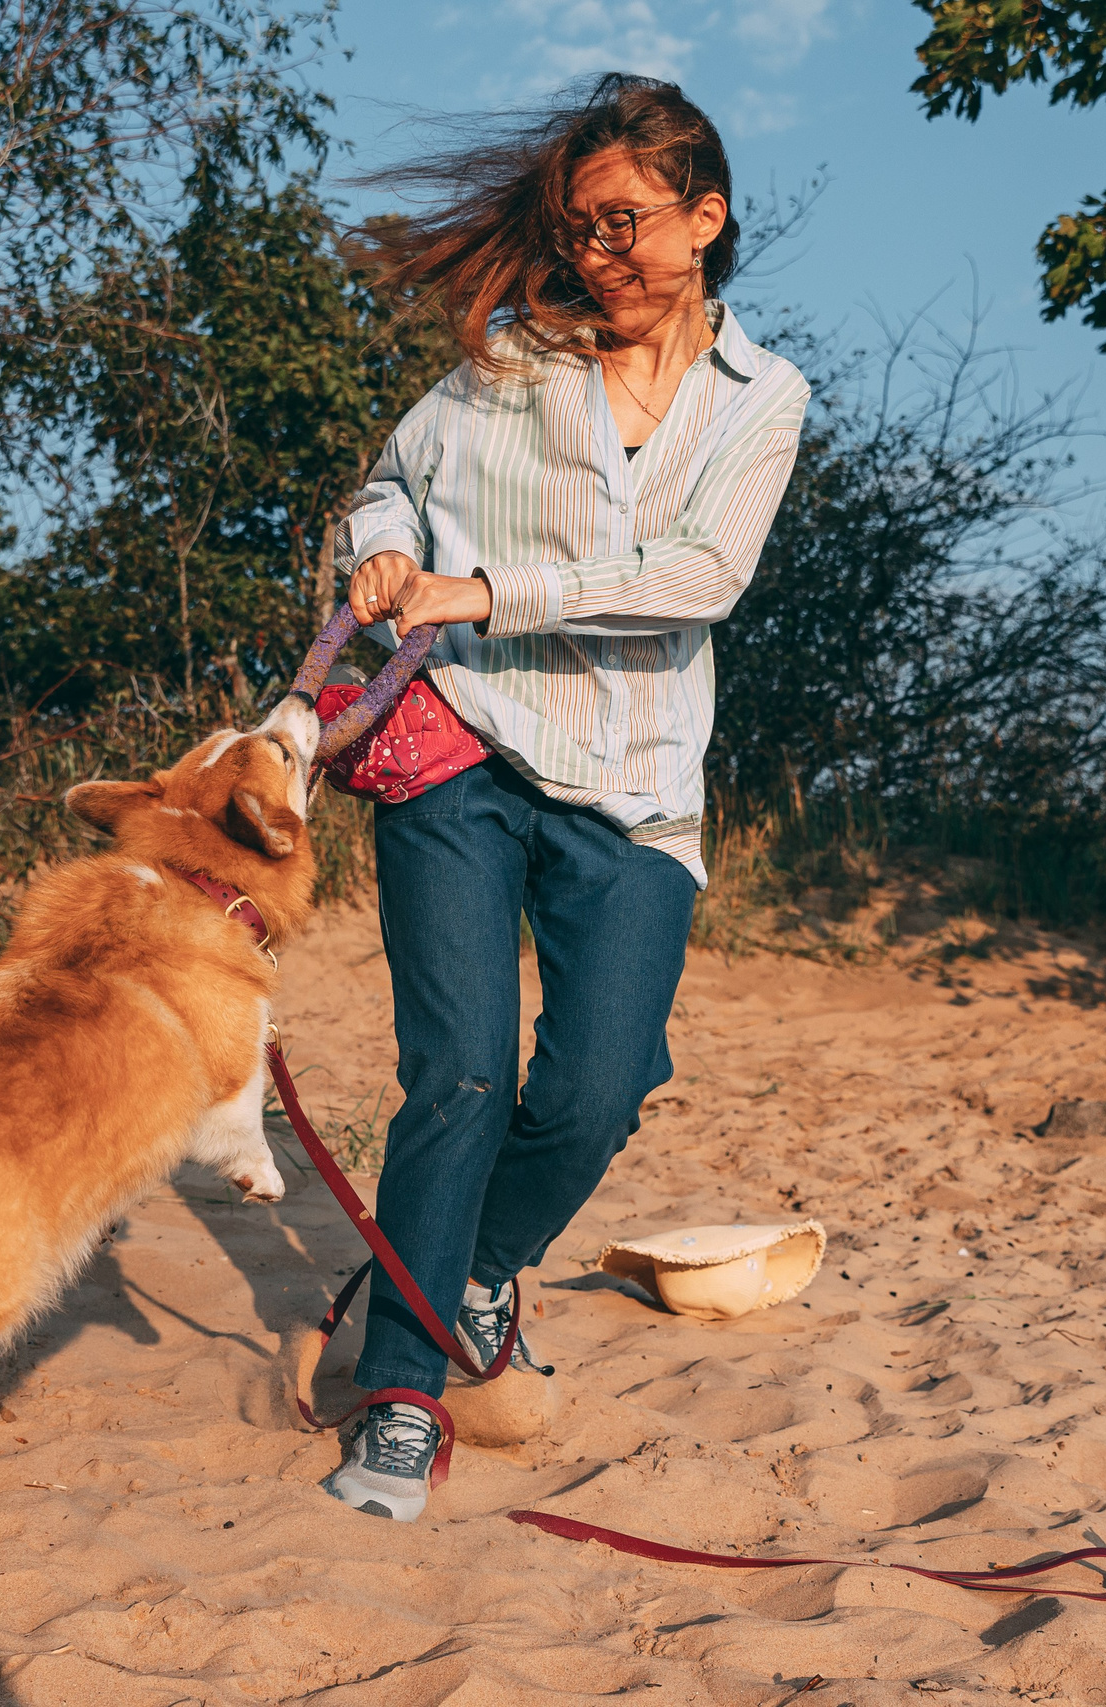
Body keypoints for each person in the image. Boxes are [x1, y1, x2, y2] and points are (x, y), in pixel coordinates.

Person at [320, 73, 810, 1522]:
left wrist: (488, 588)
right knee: (459, 1074)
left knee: (603, 1085)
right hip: (461, 740)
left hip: (640, 782)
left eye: (624, 225)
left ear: (704, 219)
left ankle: (472, 1264)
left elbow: (698, 580)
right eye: (578, 230)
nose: (598, 256)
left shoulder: (764, 401)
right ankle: (402, 1393)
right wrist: (383, 552)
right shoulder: (512, 365)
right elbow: (391, 486)